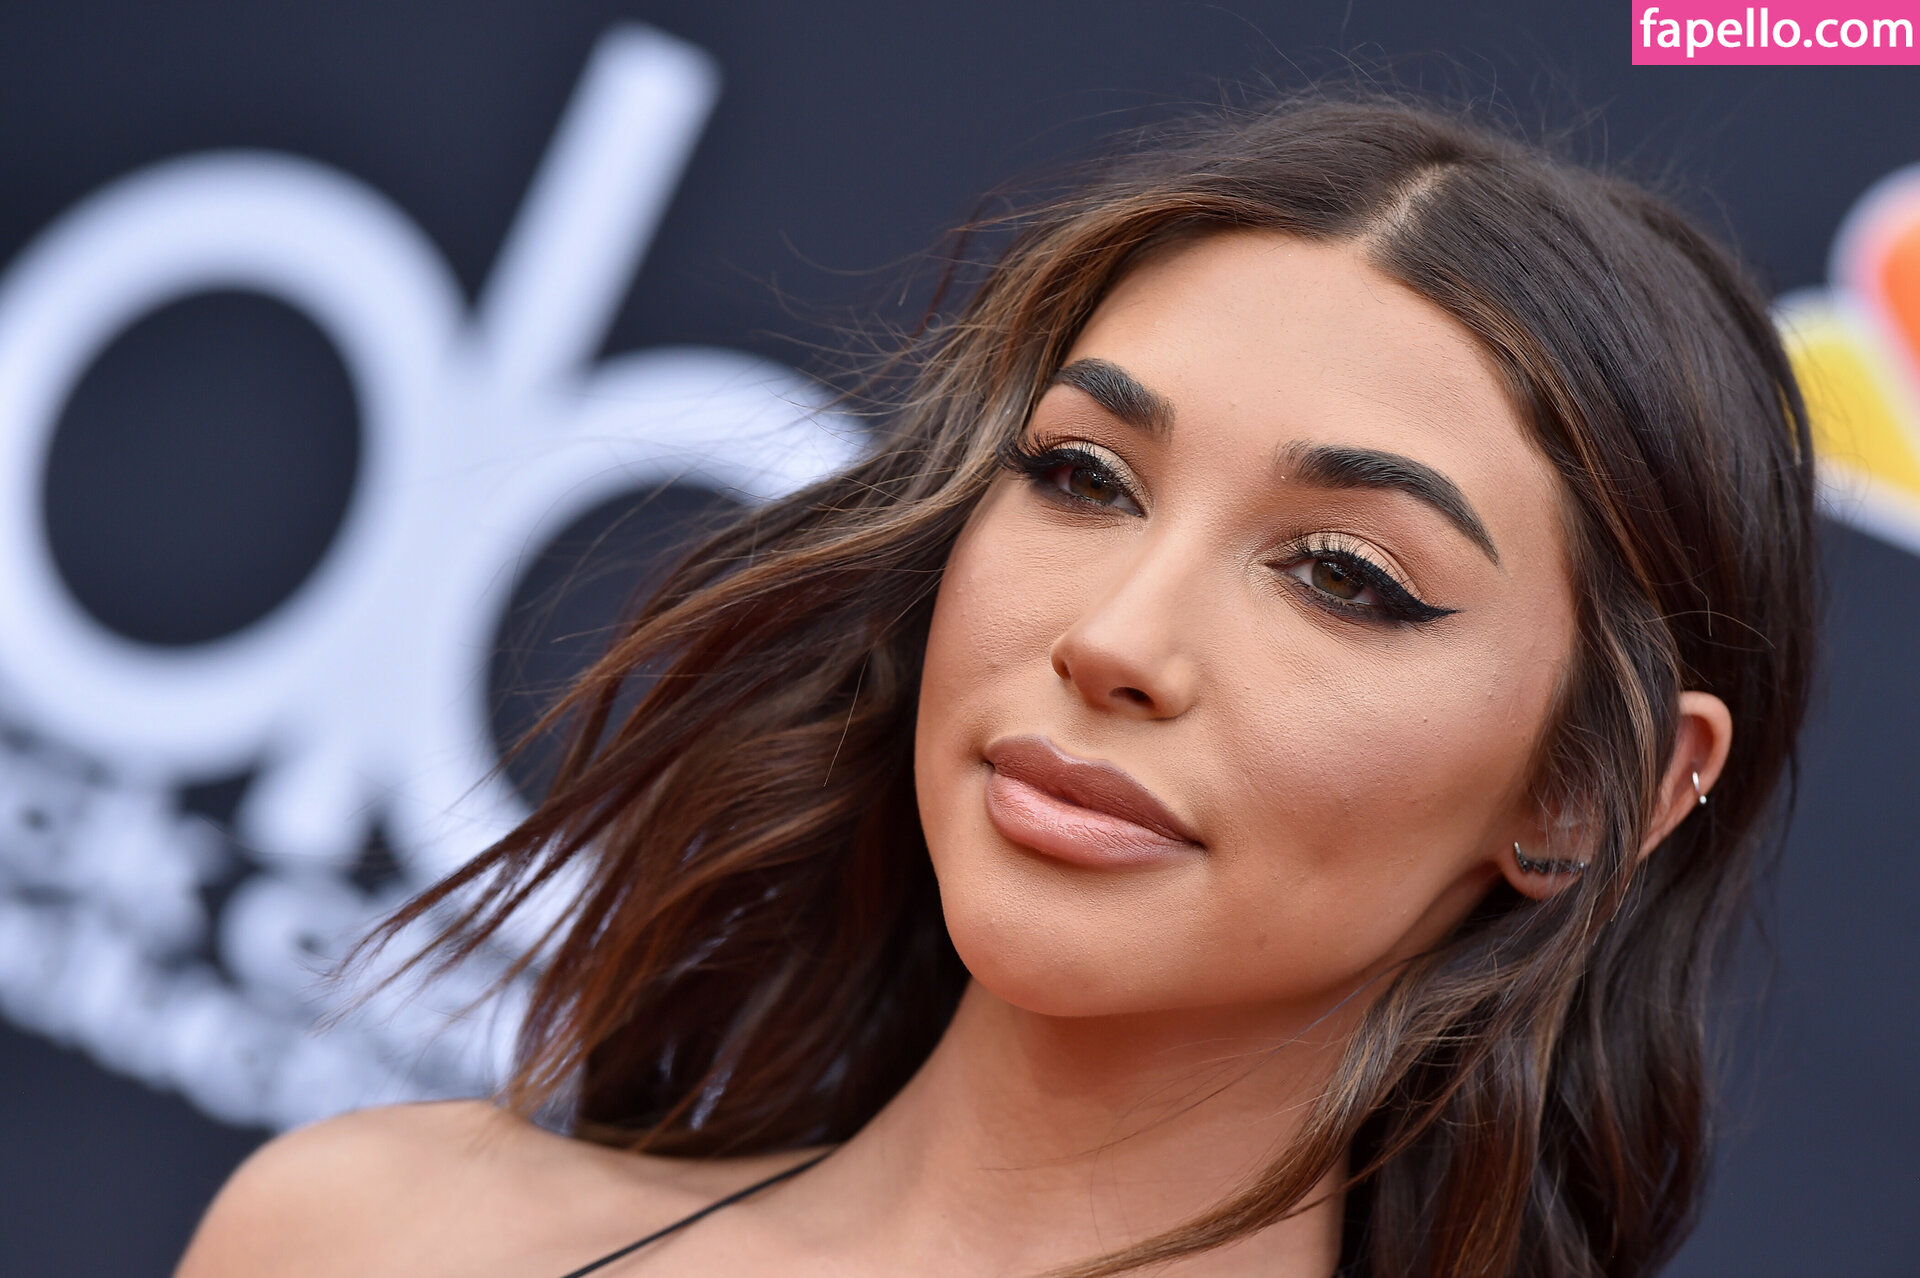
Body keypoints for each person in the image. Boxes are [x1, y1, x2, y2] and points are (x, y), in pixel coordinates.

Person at [175, 92, 1816, 1278]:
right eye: (1085, 477)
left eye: (1343, 574)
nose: (1116, 638)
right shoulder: (367, 1236)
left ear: (1588, 790)